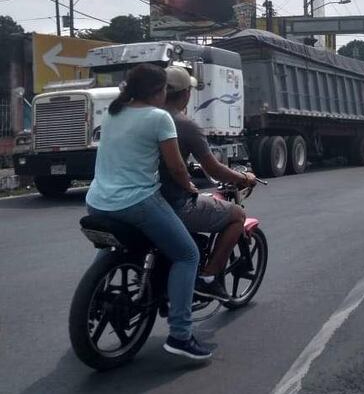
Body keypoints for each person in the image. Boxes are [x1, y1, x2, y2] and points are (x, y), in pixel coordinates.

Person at [86, 64, 213, 360]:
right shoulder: (159, 118)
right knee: (187, 255)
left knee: (113, 248)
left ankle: (93, 302)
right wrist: (191, 188)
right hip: (137, 203)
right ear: (157, 91)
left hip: (97, 201)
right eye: (164, 89)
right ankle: (181, 335)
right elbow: (176, 167)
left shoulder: (115, 112)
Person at [159, 67, 257, 302]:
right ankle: (210, 278)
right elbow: (212, 169)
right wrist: (244, 178)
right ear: (186, 94)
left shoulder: (141, 118)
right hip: (172, 203)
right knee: (235, 215)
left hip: (133, 198)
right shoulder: (184, 125)